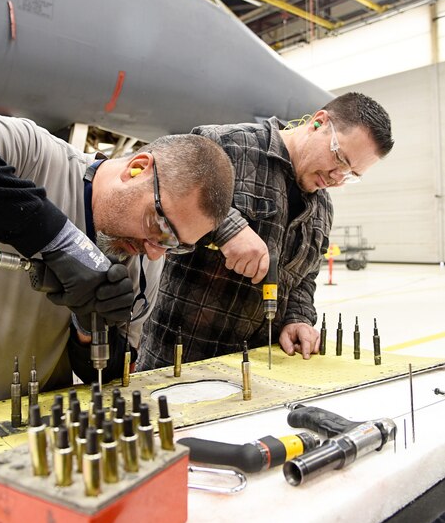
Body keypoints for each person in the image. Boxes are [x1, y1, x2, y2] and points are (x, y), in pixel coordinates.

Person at [0, 103, 235, 408]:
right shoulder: (35, 156)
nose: (155, 253)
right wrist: (61, 242)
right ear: (137, 168)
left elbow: (108, 374)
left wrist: (88, 329)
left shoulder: (141, 264)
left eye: (174, 244)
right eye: (162, 227)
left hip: (26, 426)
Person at [137, 92, 394, 369]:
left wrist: (298, 318)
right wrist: (227, 227)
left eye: (350, 175)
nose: (336, 178)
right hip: (176, 360)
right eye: (340, 159)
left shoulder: (323, 208)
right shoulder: (227, 145)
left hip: (258, 368)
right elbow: (155, 192)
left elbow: (304, 277)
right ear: (319, 122)